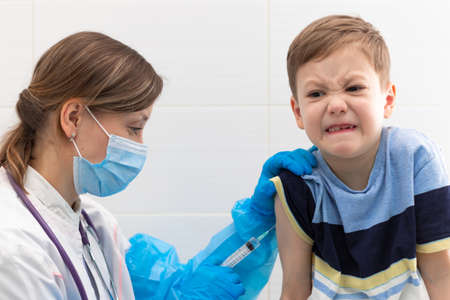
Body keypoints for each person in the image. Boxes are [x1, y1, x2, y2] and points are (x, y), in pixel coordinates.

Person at [0, 31, 316, 299]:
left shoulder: (93, 224)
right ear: (73, 118)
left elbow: (173, 288)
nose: (139, 146)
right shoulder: (15, 247)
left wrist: (260, 222)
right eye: (134, 127)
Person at [271, 15, 450, 300]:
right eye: (316, 93)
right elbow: (294, 288)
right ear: (298, 112)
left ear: (387, 100)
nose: (336, 105)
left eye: (353, 88)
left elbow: (440, 274)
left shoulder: (416, 160)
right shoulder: (295, 188)